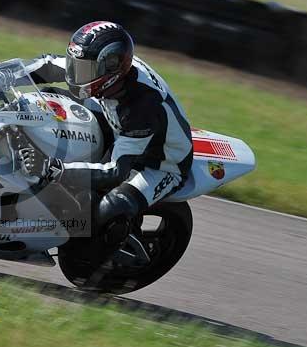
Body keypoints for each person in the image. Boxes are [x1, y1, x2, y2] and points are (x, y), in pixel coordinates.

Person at [19, 21, 193, 267]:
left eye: (84, 70)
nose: (75, 75)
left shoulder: (141, 107)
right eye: (76, 65)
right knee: (46, 101)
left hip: (159, 164)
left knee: (108, 208)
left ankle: (103, 255)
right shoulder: (106, 70)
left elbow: (115, 171)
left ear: (110, 70)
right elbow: (47, 66)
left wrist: (53, 169)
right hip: (116, 121)